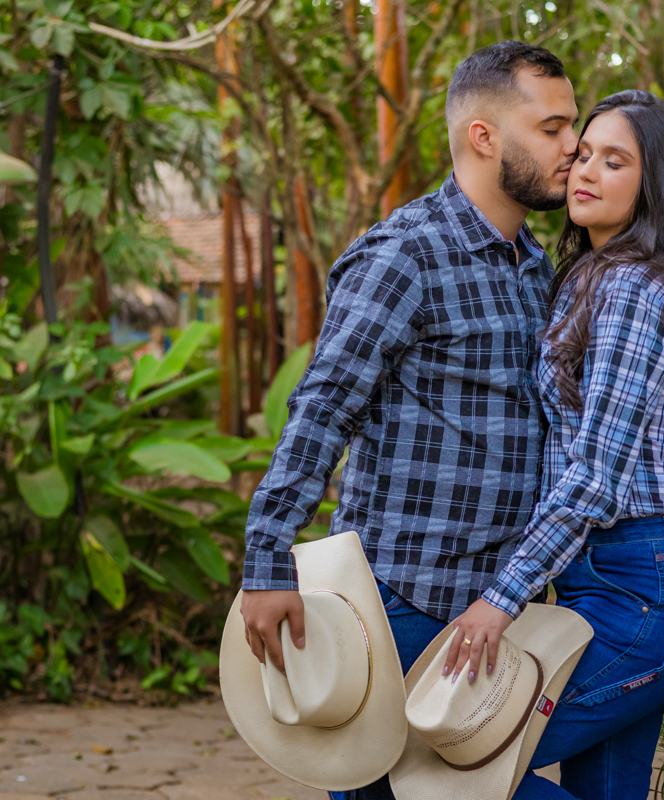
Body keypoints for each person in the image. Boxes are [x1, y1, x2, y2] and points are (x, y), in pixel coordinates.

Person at [236, 40, 579, 800]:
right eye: (552, 127)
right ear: (483, 137)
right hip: (401, 600)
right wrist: (266, 558)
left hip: (493, 610)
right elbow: (323, 406)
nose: (573, 145)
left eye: (573, 126)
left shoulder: (532, 263)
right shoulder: (404, 255)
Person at [445, 90, 664, 800]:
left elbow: (595, 477)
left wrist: (500, 599)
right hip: (606, 579)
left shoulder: (633, 288)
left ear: (654, 182)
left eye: (615, 160)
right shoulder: (585, 280)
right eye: (582, 155)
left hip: (649, 582)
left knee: (456, 757)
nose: (585, 171)